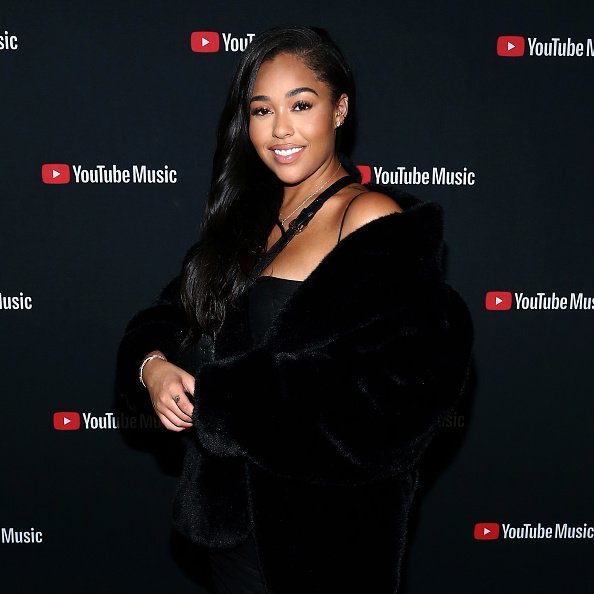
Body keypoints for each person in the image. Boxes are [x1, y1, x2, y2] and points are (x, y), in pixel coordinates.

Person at [116, 25, 473, 594]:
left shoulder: (366, 216)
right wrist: (151, 368)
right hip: (233, 534)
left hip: (328, 539)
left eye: (300, 105)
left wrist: (227, 404)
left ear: (340, 109)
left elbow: (406, 389)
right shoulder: (242, 225)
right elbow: (163, 319)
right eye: (261, 110)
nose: (280, 129)